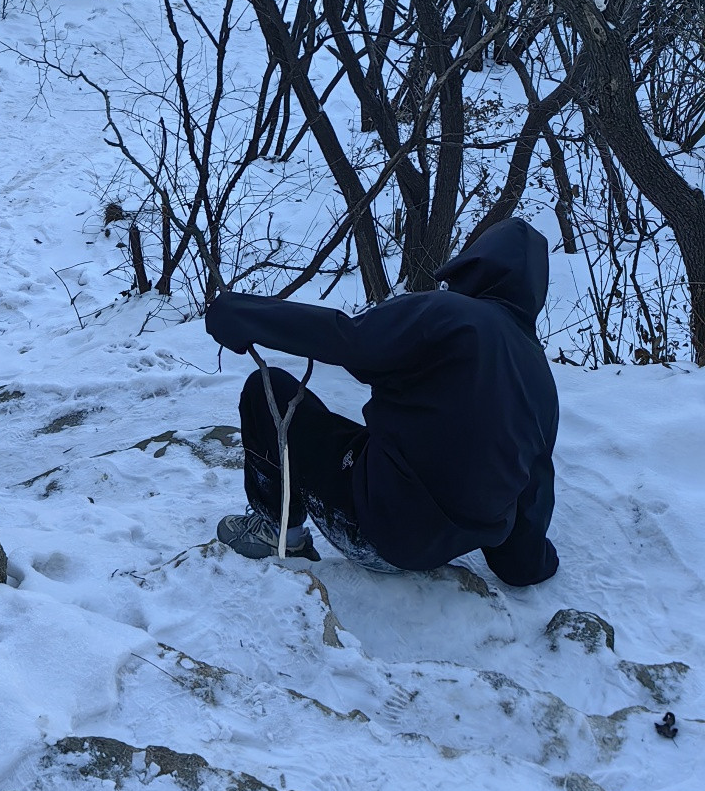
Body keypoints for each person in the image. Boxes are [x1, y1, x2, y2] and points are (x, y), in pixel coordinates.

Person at [205, 217, 559, 588]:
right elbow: (533, 484)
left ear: (475, 264)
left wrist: (242, 316)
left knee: (270, 390)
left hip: (382, 526)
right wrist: (526, 565)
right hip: (448, 544)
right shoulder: (539, 376)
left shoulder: (450, 313)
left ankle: (278, 533)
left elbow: (350, 339)